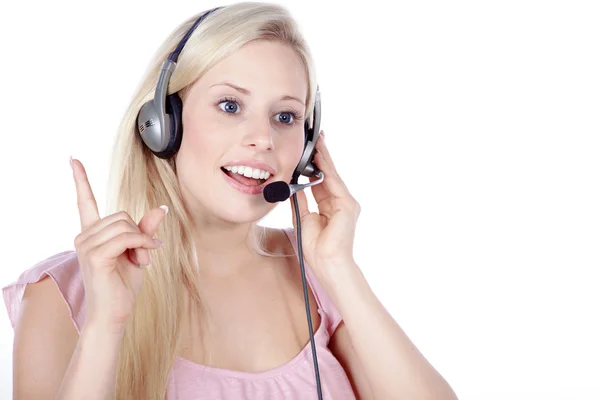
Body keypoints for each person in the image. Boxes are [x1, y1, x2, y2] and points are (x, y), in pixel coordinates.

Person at [2, 2, 458, 399]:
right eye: (230, 106)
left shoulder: (317, 276)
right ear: (163, 123)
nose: (263, 139)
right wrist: (106, 327)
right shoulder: (63, 293)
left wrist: (340, 269)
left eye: (285, 116)